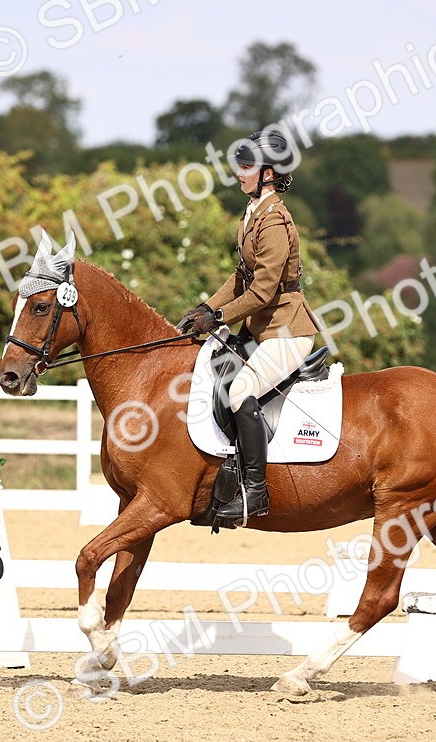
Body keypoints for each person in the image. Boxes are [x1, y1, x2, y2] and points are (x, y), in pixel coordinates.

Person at [178, 130, 321, 521]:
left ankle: (255, 491)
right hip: (261, 330)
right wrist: (205, 306)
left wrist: (219, 317)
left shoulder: (275, 222)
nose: (239, 174)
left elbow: (261, 292)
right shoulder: (253, 212)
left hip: (287, 331)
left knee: (241, 390)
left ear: (268, 173)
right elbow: (240, 277)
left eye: (246, 167)